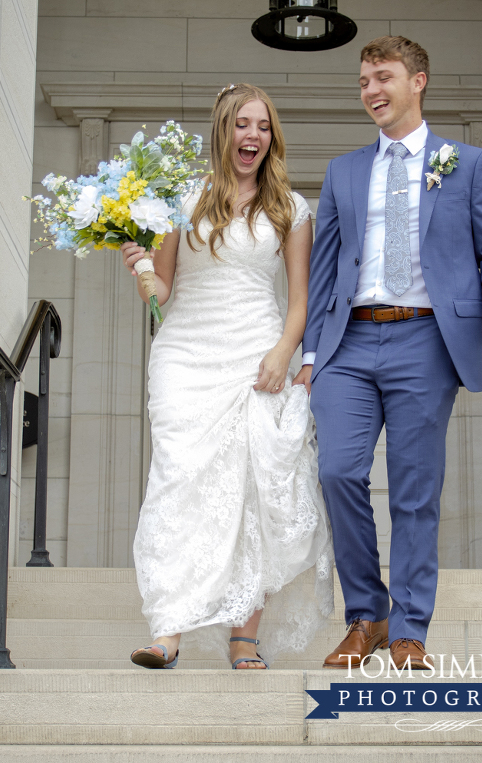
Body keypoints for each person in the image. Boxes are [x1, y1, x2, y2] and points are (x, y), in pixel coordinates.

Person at [293, 36, 482, 671]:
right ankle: (366, 616)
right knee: (338, 472)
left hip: (425, 339)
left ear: (418, 82)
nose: (372, 91)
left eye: (384, 78)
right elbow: (324, 267)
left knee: (416, 492)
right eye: (365, 80)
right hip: (349, 340)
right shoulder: (343, 171)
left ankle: (409, 630)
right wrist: (312, 353)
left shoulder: (466, 163)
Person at [120, 83, 333, 670]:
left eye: (263, 127)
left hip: (256, 356)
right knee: (178, 480)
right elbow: (162, 292)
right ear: (224, 128)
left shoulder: (290, 207)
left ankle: (244, 635)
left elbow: (299, 299)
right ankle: (168, 628)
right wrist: (140, 265)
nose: (253, 136)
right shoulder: (177, 198)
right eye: (243, 124)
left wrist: (283, 351)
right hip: (185, 356)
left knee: (252, 491)